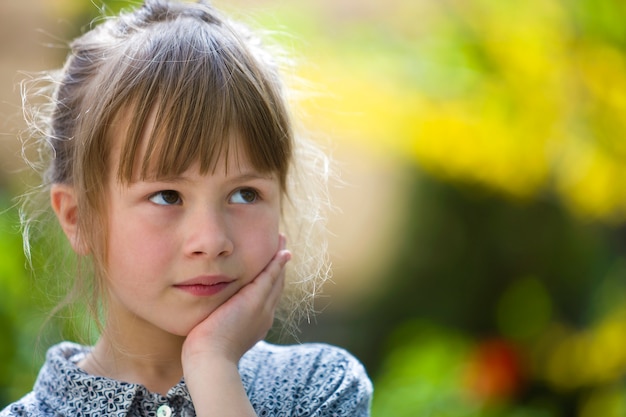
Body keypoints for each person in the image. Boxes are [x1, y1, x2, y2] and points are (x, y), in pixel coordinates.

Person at [2, 1, 372, 416]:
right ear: (78, 217)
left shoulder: (317, 389)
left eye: (245, 194)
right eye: (167, 196)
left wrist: (212, 364)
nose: (211, 241)